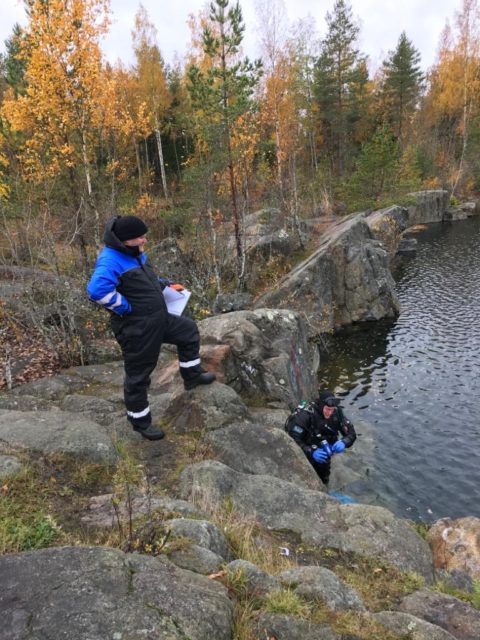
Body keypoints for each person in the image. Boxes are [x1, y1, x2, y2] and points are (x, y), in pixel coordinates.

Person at [87, 215, 216, 441]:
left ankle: (192, 375)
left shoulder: (134, 253)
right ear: (125, 240)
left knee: (188, 332)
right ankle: (140, 421)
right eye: (139, 237)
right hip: (137, 328)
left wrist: (164, 284)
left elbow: (144, 279)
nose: (144, 240)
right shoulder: (110, 260)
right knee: (139, 375)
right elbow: (97, 291)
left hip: (158, 318)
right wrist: (126, 308)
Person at [285, 389, 356, 485]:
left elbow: (351, 433)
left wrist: (344, 441)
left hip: (325, 451)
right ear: (322, 405)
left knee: (324, 477)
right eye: (327, 409)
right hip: (308, 449)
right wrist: (310, 451)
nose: (330, 413)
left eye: (332, 409)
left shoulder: (337, 413)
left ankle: (324, 488)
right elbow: (293, 438)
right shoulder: (306, 415)